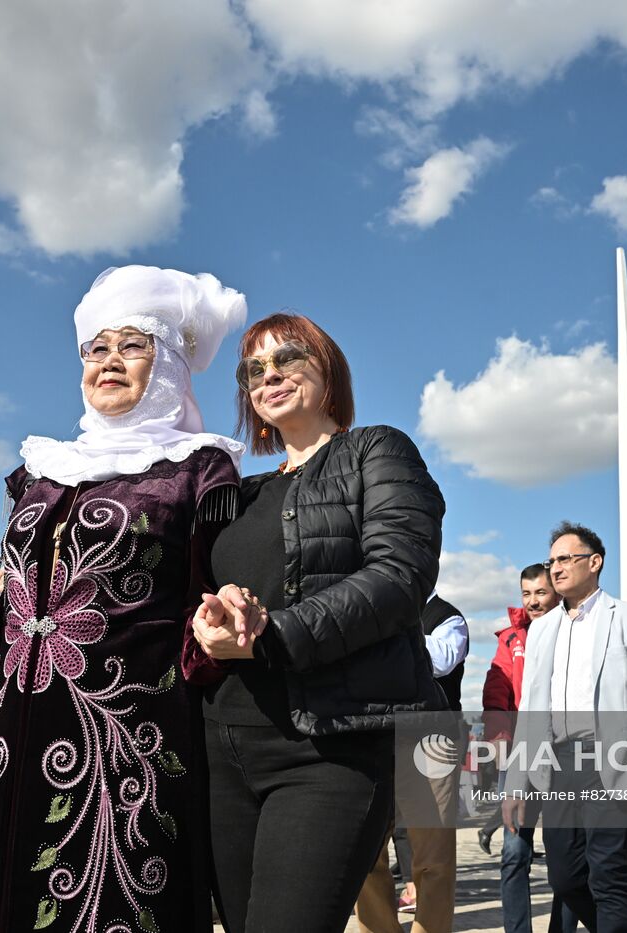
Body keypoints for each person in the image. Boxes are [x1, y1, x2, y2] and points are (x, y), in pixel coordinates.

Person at [0, 266, 247, 933]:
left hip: (127, 740)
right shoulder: (40, 469)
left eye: (132, 345)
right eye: (96, 348)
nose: (109, 361)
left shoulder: (199, 469)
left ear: (165, 363)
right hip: (9, 732)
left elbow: (214, 605)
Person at [191, 312, 447, 933]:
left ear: (326, 369)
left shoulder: (375, 451)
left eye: (288, 358)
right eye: (254, 369)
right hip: (223, 750)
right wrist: (210, 622)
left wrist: (271, 635)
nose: (269, 375)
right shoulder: (235, 494)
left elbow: (399, 577)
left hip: (329, 748)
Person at [503, 521, 627, 933]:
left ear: (594, 562)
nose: (556, 568)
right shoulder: (542, 629)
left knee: (608, 873)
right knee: (564, 877)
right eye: (552, 560)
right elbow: (529, 711)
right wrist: (515, 782)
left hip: (610, 760)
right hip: (558, 764)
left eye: (566, 558)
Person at [355, 592, 468, 933]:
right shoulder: (369, 604)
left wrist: (379, 634)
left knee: (433, 857)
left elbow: (442, 659)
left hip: (430, 743)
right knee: (363, 853)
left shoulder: (448, 616)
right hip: (371, 736)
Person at [480, 565, 578, 933]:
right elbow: (496, 691)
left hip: (568, 757)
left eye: (540, 592)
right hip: (521, 757)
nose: (533, 601)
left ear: (556, 593)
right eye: (526, 594)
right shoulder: (510, 639)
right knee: (514, 853)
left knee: (564, 857)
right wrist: (500, 740)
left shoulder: (576, 633)